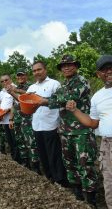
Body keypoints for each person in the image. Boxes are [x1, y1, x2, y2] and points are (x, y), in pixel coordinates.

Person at [38, 55, 97, 205]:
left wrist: (43, 101)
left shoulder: (82, 81)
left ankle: (91, 200)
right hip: (65, 131)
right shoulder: (62, 85)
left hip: (82, 131)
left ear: (75, 66)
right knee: (70, 164)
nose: (66, 67)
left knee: (85, 165)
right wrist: (40, 100)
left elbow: (67, 97)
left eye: (70, 65)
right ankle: (77, 195)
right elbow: (56, 98)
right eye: (63, 66)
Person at [66, 55, 112, 209]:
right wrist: (75, 110)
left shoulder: (82, 83)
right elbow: (92, 123)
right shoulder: (98, 96)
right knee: (109, 183)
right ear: (98, 74)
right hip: (106, 144)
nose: (109, 71)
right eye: (104, 69)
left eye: (111, 67)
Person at [26, 61, 67, 185]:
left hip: (51, 126)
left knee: (54, 155)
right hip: (37, 126)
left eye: (39, 69)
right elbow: (25, 101)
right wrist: (12, 92)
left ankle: (60, 180)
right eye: (34, 71)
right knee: (43, 154)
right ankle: (49, 178)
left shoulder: (54, 84)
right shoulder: (32, 88)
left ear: (45, 70)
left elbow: (61, 102)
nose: (37, 72)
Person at [7, 69, 40, 173]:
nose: (20, 77)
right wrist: (11, 119)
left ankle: (36, 167)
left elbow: (30, 95)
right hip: (17, 120)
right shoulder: (16, 88)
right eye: (18, 76)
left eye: (22, 75)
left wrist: (16, 90)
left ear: (26, 76)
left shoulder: (31, 86)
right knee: (20, 142)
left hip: (27, 120)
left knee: (31, 143)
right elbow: (14, 105)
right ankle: (25, 163)